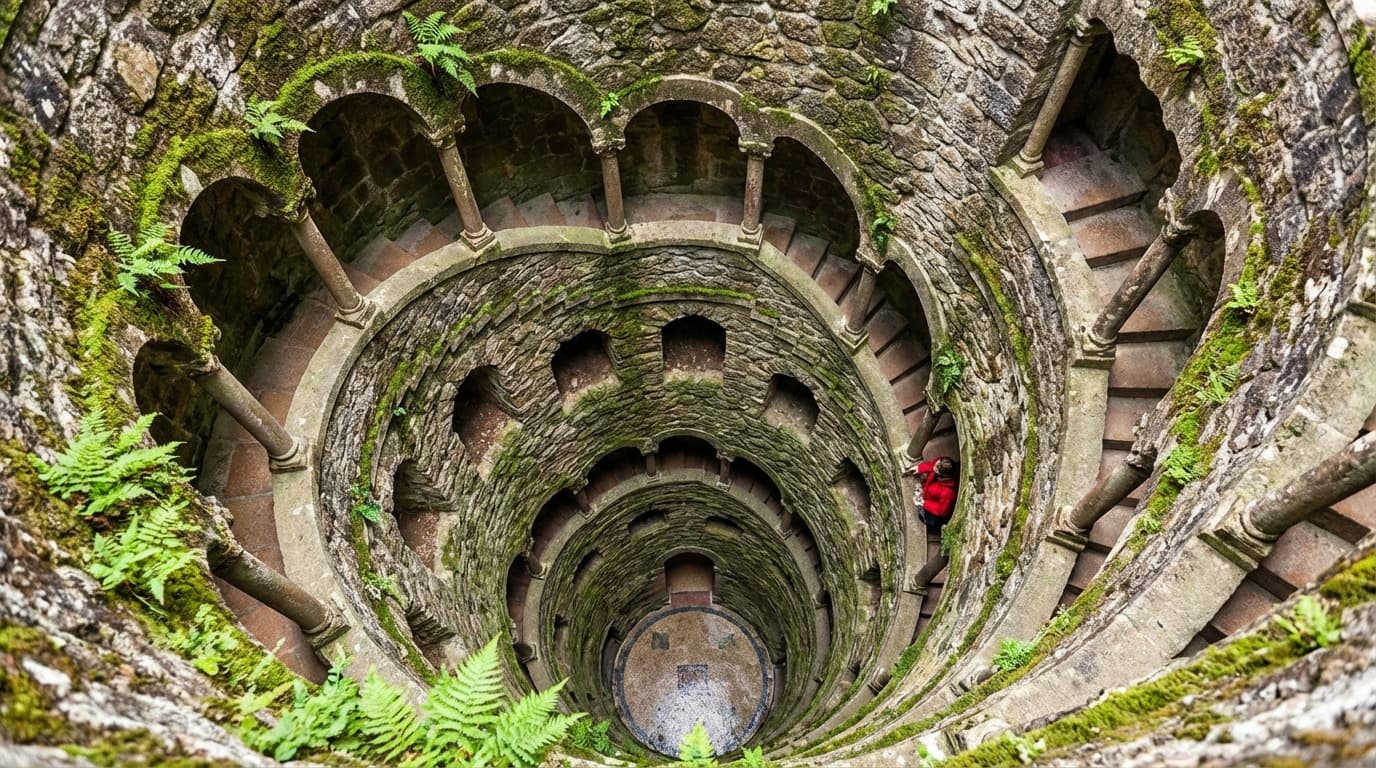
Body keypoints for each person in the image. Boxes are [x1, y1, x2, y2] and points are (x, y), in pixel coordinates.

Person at [903, 456, 959, 533]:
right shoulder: (943, 463)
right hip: (928, 493)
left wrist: (923, 503)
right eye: (937, 464)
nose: (934, 467)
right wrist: (919, 468)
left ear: (942, 475)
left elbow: (941, 510)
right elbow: (932, 465)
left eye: (936, 470)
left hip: (934, 512)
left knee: (923, 516)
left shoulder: (948, 493)